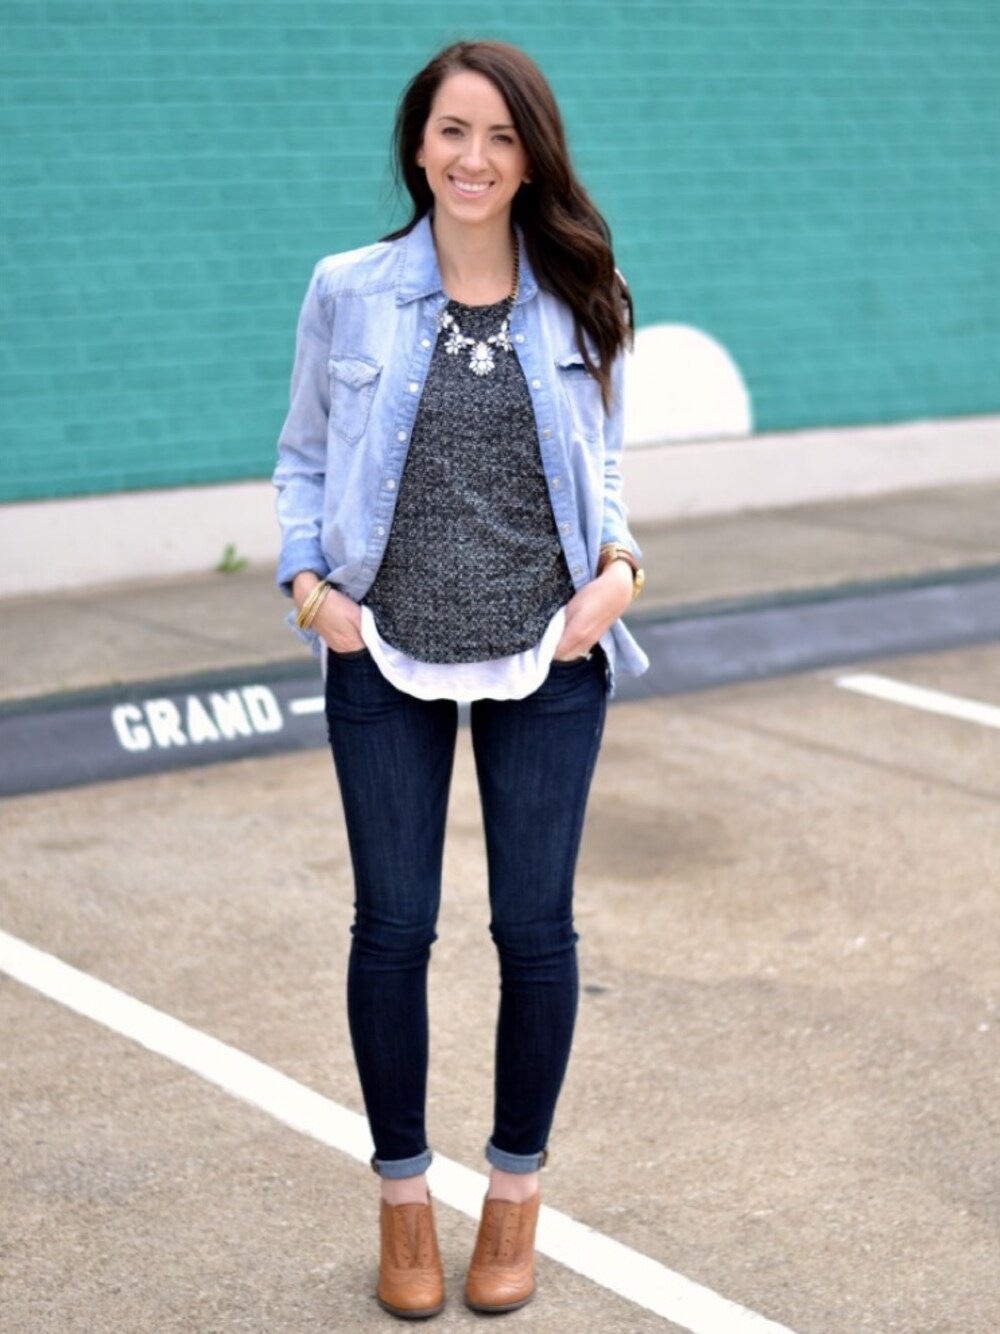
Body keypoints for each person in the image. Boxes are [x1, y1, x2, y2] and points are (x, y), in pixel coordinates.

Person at [272, 38, 648, 1320]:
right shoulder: (349, 289)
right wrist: (310, 591)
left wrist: (618, 572)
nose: (472, 158)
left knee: (534, 933)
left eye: (499, 135)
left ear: (531, 156)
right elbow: (303, 456)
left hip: (547, 656)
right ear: (418, 145)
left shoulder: (584, 290)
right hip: (381, 653)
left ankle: (512, 1194)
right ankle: (401, 1200)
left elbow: (604, 464)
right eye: (451, 131)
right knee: (393, 929)